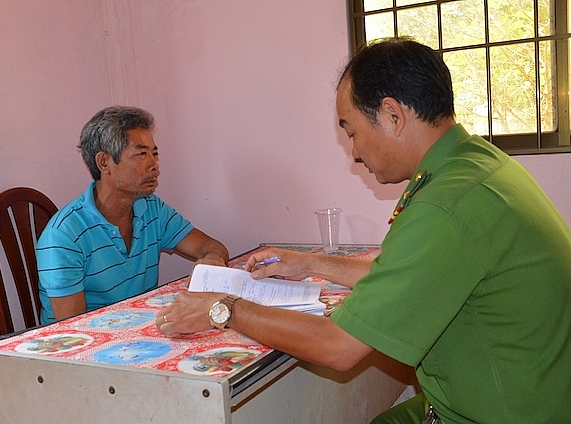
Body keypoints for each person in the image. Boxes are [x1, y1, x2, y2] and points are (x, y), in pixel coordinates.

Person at [155, 39, 571, 423]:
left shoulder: (446, 204)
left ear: (392, 115)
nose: (353, 152)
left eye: (351, 131)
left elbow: (337, 347)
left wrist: (222, 308)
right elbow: (409, 277)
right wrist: (309, 263)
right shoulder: (475, 166)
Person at [37, 106, 229, 324]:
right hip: (86, 345)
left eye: (154, 154)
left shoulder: (150, 208)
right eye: (141, 154)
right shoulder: (64, 236)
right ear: (104, 163)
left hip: (139, 333)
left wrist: (212, 259)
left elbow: (212, 247)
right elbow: (74, 329)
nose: (154, 166)